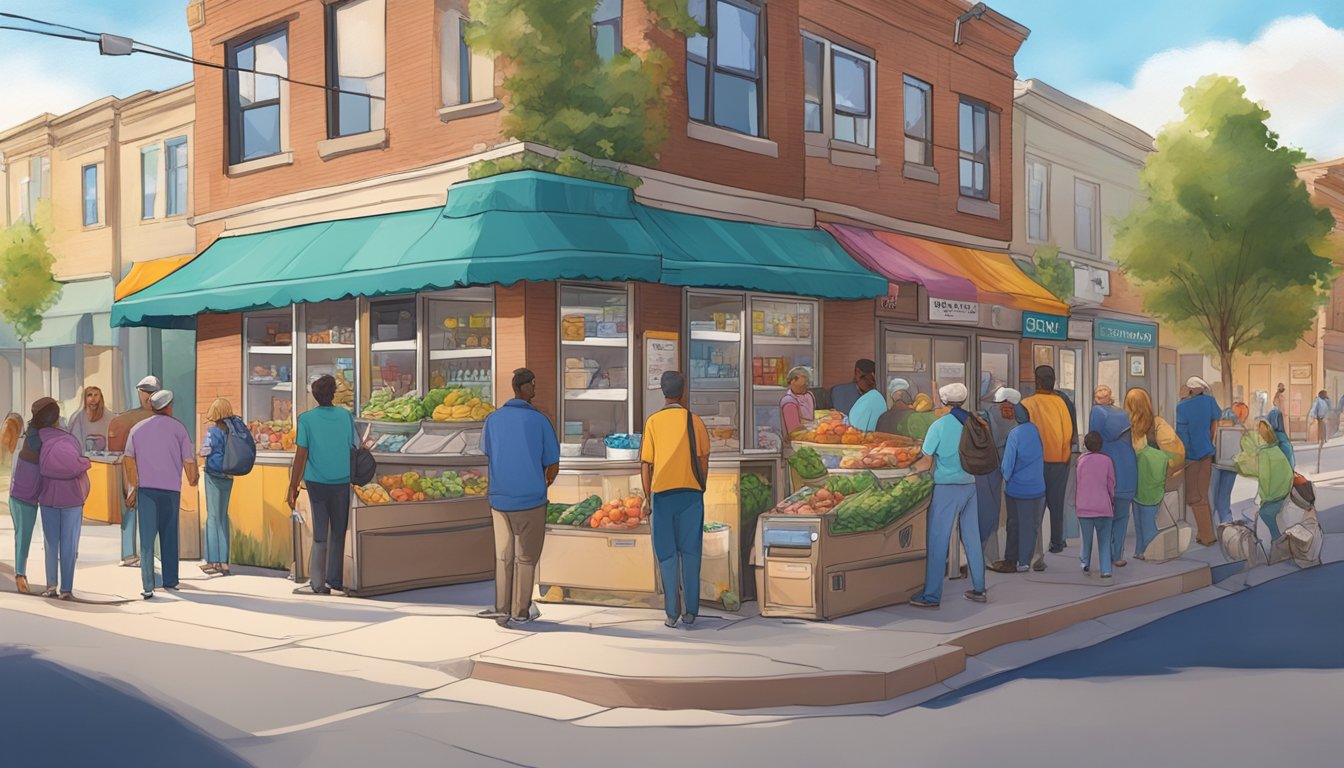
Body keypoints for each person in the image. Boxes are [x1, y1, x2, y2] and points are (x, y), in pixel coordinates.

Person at [478, 368, 560, 627]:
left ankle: (502, 609)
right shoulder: (540, 421)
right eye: (533, 384)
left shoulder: (493, 419)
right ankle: (521, 611)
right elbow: (553, 462)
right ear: (524, 388)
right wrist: (542, 483)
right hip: (531, 499)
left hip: (499, 499)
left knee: (503, 555)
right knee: (526, 557)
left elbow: (487, 452)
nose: (535, 388)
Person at [641, 371, 711, 628]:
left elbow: (646, 464)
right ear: (683, 392)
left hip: (662, 497)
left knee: (667, 555)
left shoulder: (653, 422)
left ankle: (672, 612)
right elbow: (704, 460)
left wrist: (648, 497)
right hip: (691, 495)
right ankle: (691, 611)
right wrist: (701, 486)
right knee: (691, 553)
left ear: (663, 392)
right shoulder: (696, 422)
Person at [909, 383, 987, 607]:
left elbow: (926, 462)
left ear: (943, 401)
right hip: (970, 484)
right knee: (972, 538)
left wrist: (909, 472)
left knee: (937, 540)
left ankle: (932, 595)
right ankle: (979, 588)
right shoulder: (974, 422)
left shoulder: (939, 426)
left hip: (946, 487)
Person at [287, 375, 357, 596]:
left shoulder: (306, 419)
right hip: (342, 480)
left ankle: (317, 583)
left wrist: (293, 486)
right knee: (338, 531)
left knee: (320, 534)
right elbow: (354, 445)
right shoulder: (346, 417)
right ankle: (334, 580)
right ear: (334, 393)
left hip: (317, 482)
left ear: (314, 395)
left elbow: (301, 455)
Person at [124, 390, 198, 600]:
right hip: (171, 490)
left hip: (146, 490)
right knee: (169, 535)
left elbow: (128, 459)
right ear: (169, 406)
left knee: (147, 539)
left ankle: (148, 585)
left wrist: (134, 485)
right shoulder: (179, 429)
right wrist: (192, 479)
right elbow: (189, 462)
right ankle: (171, 580)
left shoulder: (137, 429)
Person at [31, 399, 92, 599]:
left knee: (50, 544)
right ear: (57, 418)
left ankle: (50, 586)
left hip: (47, 497)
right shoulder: (70, 440)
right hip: (72, 499)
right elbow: (78, 469)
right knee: (69, 544)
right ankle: (66, 589)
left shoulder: (37, 439)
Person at [1021, 365, 1077, 554]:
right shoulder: (1060, 403)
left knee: (1033, 504)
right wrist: (1064, 457)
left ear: (1036, 381)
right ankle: (1056, 542)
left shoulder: (1027, 403)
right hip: (1058, 461)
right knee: (1057, 503)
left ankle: (1033, 543)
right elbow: (1068, 433)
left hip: (1033, 462)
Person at [107, 375, 162, 568]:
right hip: (135, 467)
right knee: (131, 509)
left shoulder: (158, 417)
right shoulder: (128, 417)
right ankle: (130, 553)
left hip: (150, 468)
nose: (148, 396)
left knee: (144, 511)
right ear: (139, 393)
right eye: (145, 392)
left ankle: (145, 553)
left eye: (151, 392)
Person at [992, 389, 1046, 573]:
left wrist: (1003, 477)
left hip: (1017, 489)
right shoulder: (1034, 430)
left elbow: (1007, 464)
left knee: (1014, 525)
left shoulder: (1015, 434)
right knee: (1029, 526)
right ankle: (1023, 561)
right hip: (1037, 488)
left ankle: (1015, 561)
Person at [8, 402, 53, 594]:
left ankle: (21, 573)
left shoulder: (33, 433)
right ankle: (20, 575)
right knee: (23, 536)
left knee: (21, 535)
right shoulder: (38, 437)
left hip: (20, 493)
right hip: (25, 496)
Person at [1090, 385, 1137, 568]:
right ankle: (1117, 555)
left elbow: (1094, 440)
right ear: (1111, 398)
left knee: (1105, 515)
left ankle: (1105, 555)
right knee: (1122, 516)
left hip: (1106, 467)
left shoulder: (1096, 412)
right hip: (1127, 467)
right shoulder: (1124, 415)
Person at [1176, 376, 1222, 546]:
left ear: (1189, 390)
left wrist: (1183, 458)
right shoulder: (1209, 402)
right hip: (1207, 453)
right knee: (1202, 494)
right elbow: (1217, 417)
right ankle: (1204, 533)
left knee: (1194, 497)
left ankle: (1207, 535)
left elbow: (1182, 436)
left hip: (1192, 456)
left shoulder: (1181, 407)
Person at [973, 386, 1017, 564]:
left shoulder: (989, 413)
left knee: (986, 507)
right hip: (1009, 466)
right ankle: (995, 554)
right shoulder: (1017, 417)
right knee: (1003, 510)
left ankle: (984, 553)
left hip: (989, 465)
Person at [200, 398, 242, 576]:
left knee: (212, 517)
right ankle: (225, 562)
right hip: (229, 476)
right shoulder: (233, 432)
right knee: (223, 517)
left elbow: (204, 451)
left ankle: (213, 560)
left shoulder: (212, 432)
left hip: (214, 475)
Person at [1075, 431, 1115, 579]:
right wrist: (1111, 498)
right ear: (1101, 445)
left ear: (1086, 445)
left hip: (1084, 507)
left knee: (1086, 539)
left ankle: (1085, 563)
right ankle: (1106, 570)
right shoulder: (1107, 461)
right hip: (1103, 507)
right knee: (1104, 540)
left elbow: (1079, 483)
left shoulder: (1080, 461)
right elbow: (1111, 483)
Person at [1251, 419, 1294, 541]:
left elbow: (1264, 479)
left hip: (1275, 496)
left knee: (1264, 514)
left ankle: (1277, 540)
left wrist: (1263, 499)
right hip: (1284, 492)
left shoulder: (1264, 453)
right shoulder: (1275, 449)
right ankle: (1280, 538)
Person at [1133, 440, 1171, 559]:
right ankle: (1151, 552)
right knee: (1150, 526)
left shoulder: (1140, 454)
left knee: (1138, 527)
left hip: (1138, 494)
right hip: (1154, 495)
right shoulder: (1164, 457)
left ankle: (1139, 551)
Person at [1210, 408, 1245, 529]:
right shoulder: (1240, 431)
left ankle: (1219, 526)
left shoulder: (1216, 429)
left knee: (1215, 497)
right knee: (1223, 498)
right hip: (1230, 466)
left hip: (1217, 465)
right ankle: (1225, 524)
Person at [66, 386, 109, 453]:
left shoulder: (110, 417)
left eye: (96, 395)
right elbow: (74, 443)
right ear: (84, 399)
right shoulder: (77, 418)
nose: (93, 399)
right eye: (89, 395)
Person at [779, 366, 816, 439]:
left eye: (807, 384)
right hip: (795, 444)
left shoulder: (809, 396)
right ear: (792, 381)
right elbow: (794, 432)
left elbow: (812, 417)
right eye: (802, 385)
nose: (805, 385)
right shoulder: (789, 402)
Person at [846, 367, 887, 432]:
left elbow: (856, 431)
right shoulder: (877, 397)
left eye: (858, 379)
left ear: (872, 375)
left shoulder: (869, 399)